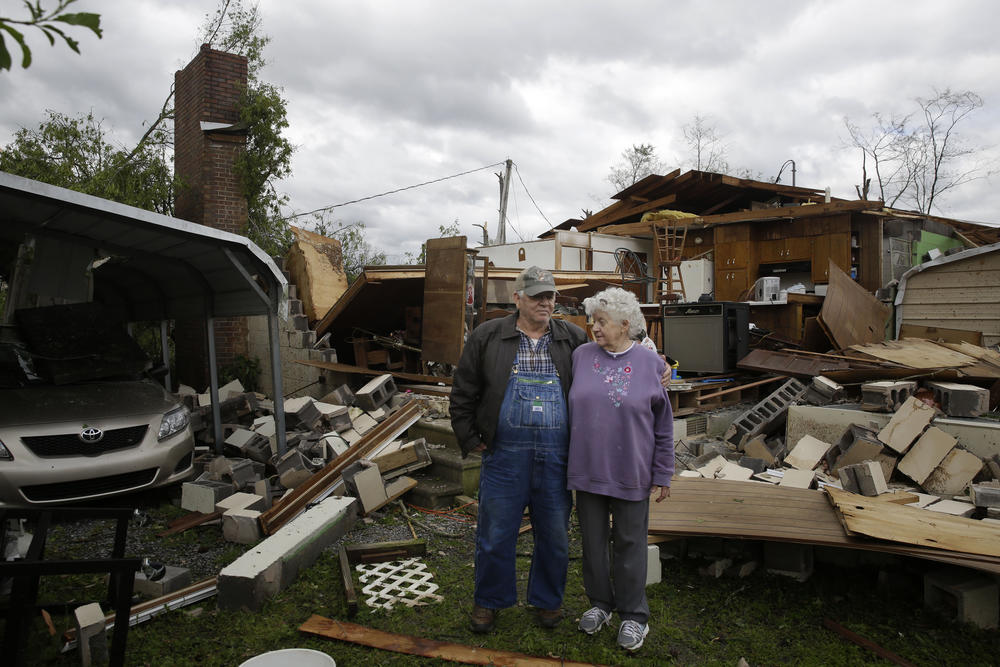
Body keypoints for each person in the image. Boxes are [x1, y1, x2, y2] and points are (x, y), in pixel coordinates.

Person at [450, 266, 586, 633]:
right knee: (495, 534)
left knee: (555, 534)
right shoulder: (487, 336)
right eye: (537, 295)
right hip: (505, 455)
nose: (545, 302)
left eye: (550, 296)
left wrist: (657, 367)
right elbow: (463, 392)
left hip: (557, 455)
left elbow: (613, 363)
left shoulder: (573, 339)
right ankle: (489, 602)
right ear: (517, 298)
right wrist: (468, 437)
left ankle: (547, 601)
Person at [567, 287, 674, 652]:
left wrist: (663, 472)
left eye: (602, 321)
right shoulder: (580, 356)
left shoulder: (651, 365)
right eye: (592, 321)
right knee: (593, 544)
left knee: (629, 544)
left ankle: (633, 614)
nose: (594, 328)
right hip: (587, 468)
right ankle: (600, 604)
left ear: (626, 325)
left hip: (632, 470)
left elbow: (663, 424)